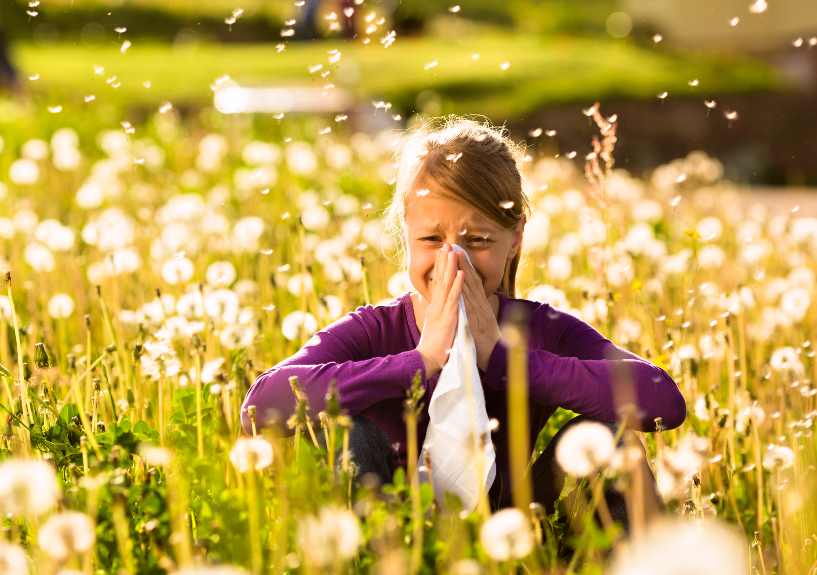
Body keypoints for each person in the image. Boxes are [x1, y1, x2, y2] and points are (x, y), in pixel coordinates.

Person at [241, 116, 686, 525]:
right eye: (432, 239)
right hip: (390, 527)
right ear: (406, 235)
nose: (453, 259)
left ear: (515, 240)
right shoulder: (376, 329)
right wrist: (420, 361)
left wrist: (506, 360)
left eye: (477, 240)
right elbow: (260, 406)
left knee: (611, 439)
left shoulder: (539, 329)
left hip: (518, 526)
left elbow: (663, 400)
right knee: (345, 433)